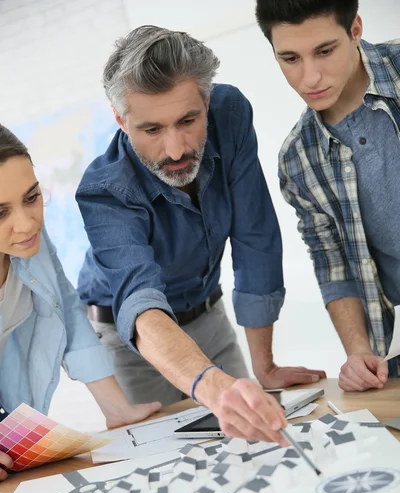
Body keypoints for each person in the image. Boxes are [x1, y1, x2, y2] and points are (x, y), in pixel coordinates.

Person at [76, 25, 325, 443]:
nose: (175, 150)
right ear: (121, 120)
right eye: (152, 130)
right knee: (168, 461)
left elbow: (254, 234)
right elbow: (140, 302)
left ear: (207, 101)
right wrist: (210, 386)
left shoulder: (230, 113)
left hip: (208, 314)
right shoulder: (103, 191)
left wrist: (264, 365)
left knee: (251, 438)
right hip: (134, 342)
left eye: (188, 120)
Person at [0, 124, 162, 480]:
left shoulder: (29, 245)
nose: (26, 224)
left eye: (31, 197)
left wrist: (116, 407)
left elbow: (68, 312)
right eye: (1, 213)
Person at [255, 0, 400, 392]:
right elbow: (334, 264)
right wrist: (358, 352)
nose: (309, 78)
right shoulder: (298, 160)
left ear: (355, 28)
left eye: (324, 51)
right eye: (289, 58)